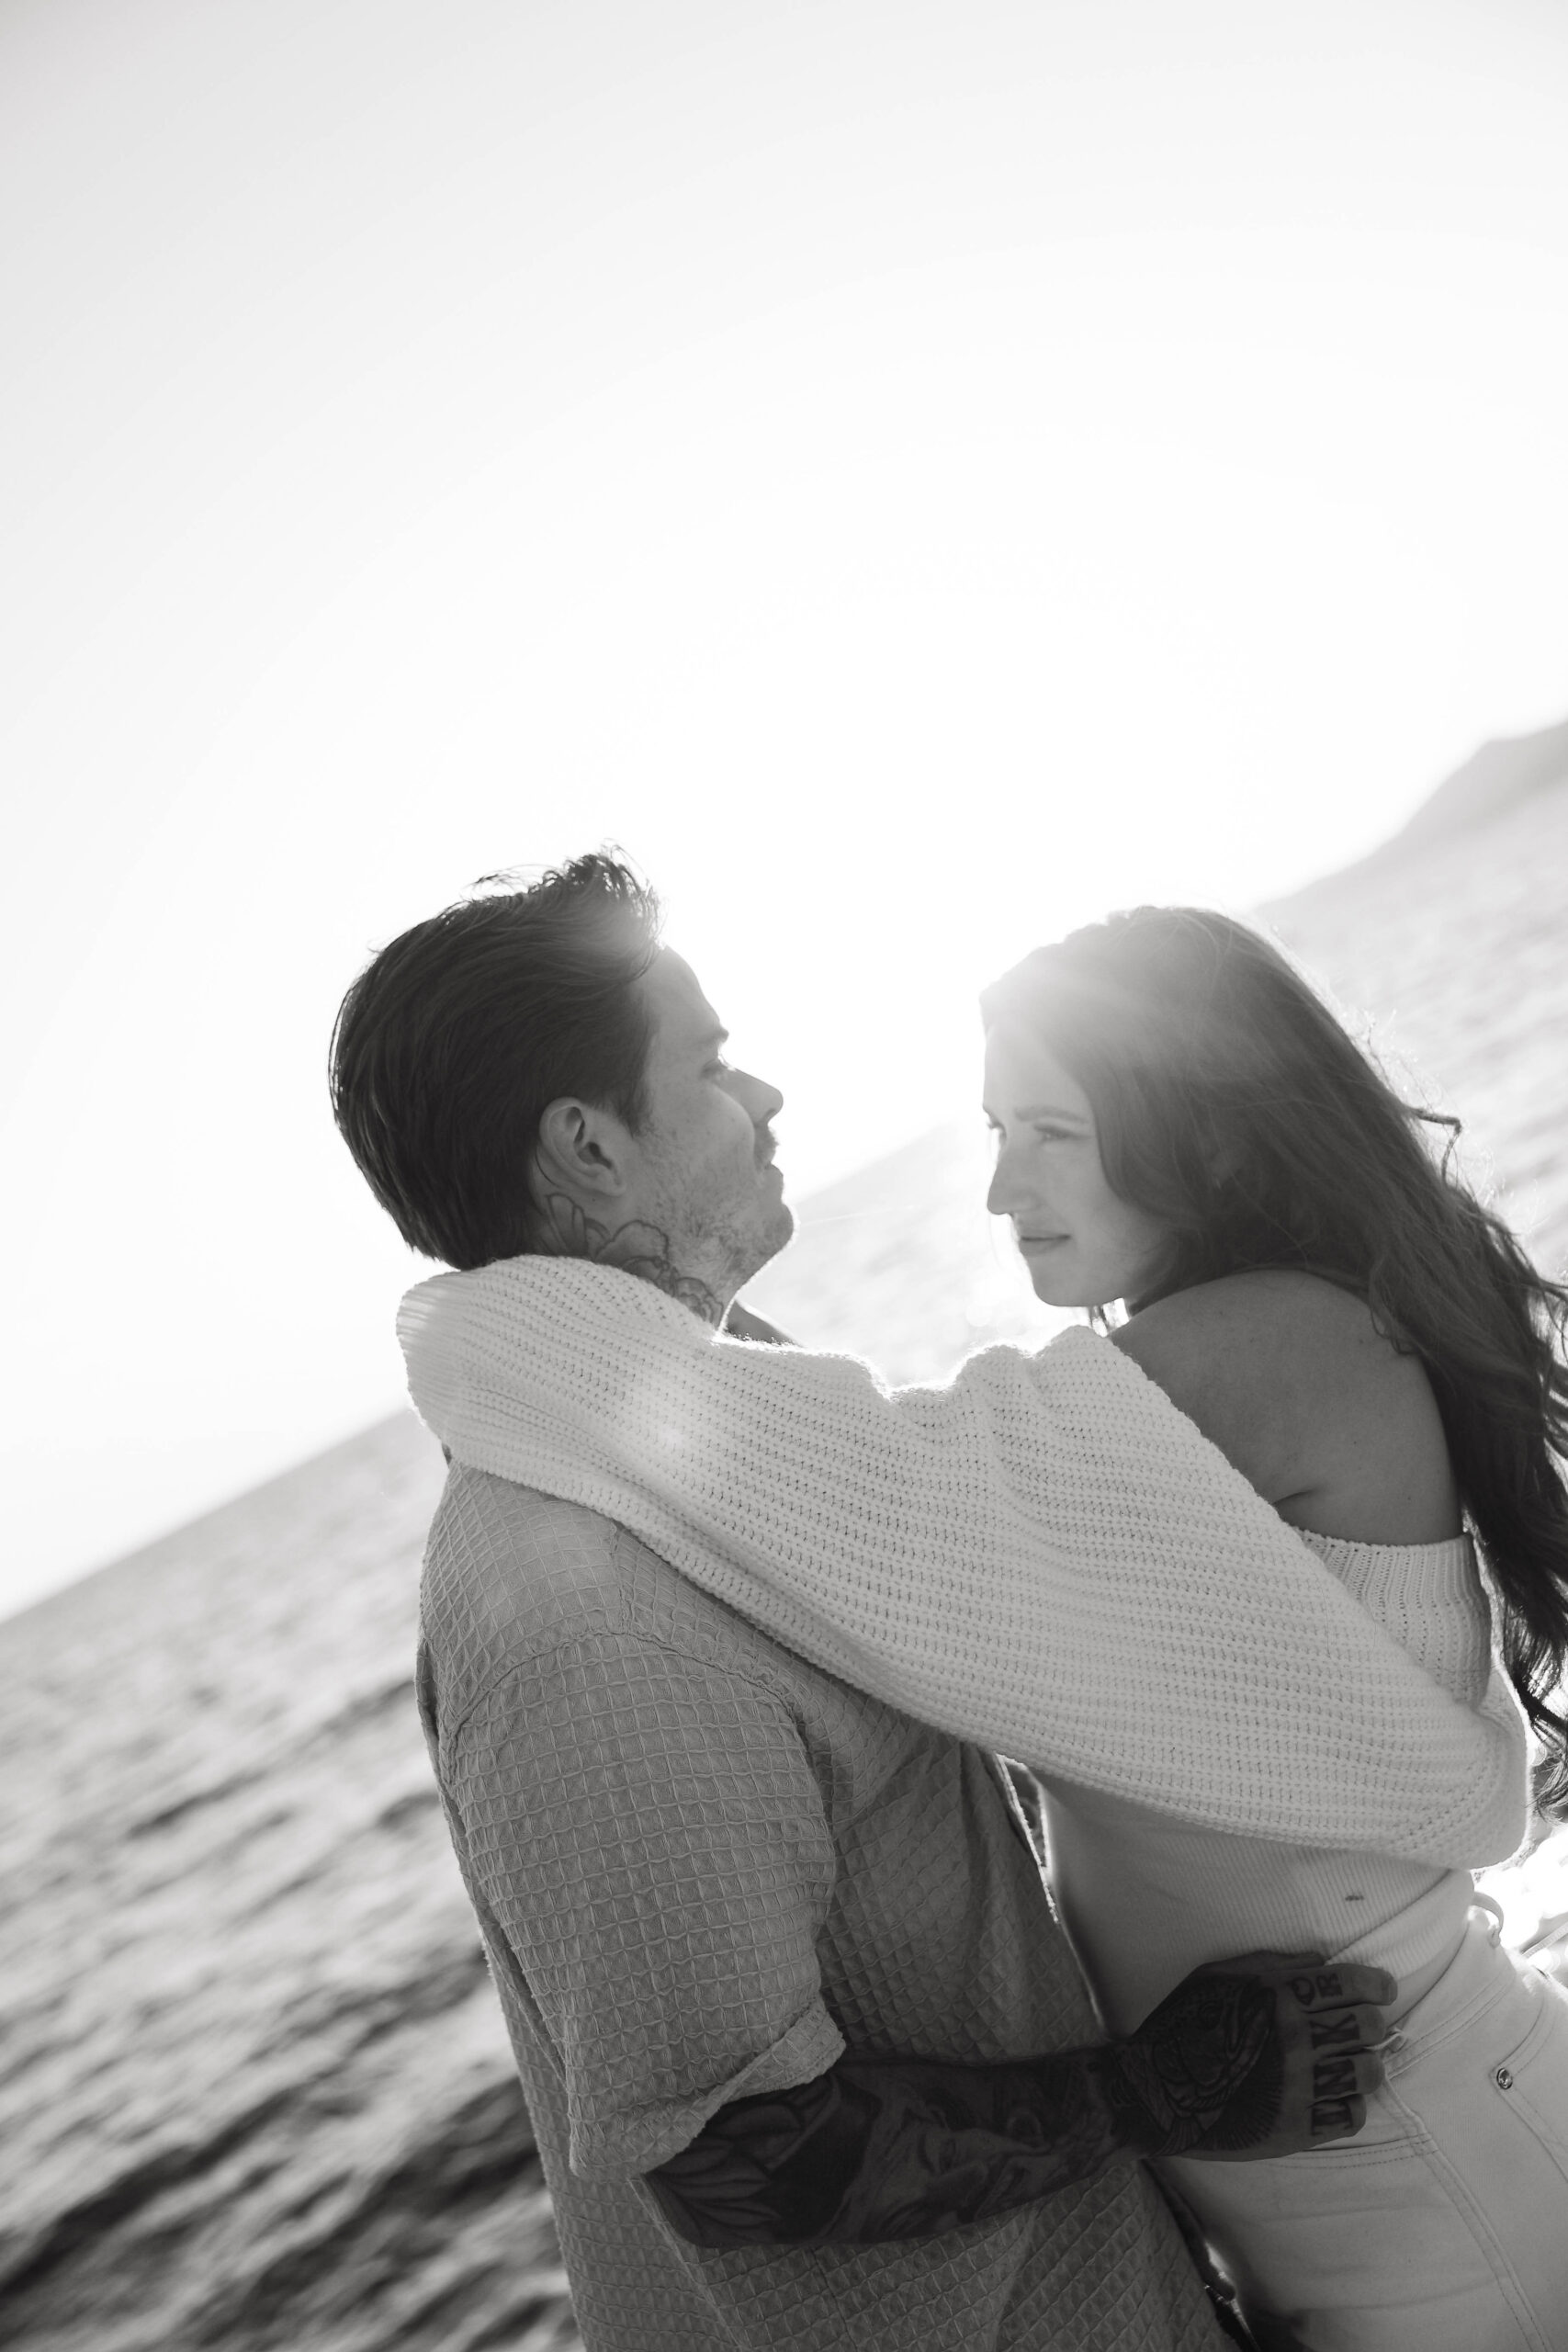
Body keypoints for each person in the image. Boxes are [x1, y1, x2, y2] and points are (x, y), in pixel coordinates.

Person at [399, 888, 1568, 2351]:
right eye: (709, 1063)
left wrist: (479, 1338)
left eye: (1048, 1133)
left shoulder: (1286, 1342)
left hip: (1438, 2192)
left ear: (1195, 1127)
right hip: (1359, 2208)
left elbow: (897, 1492)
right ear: (584, 1145)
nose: (999, 1190)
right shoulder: (579, 1605)